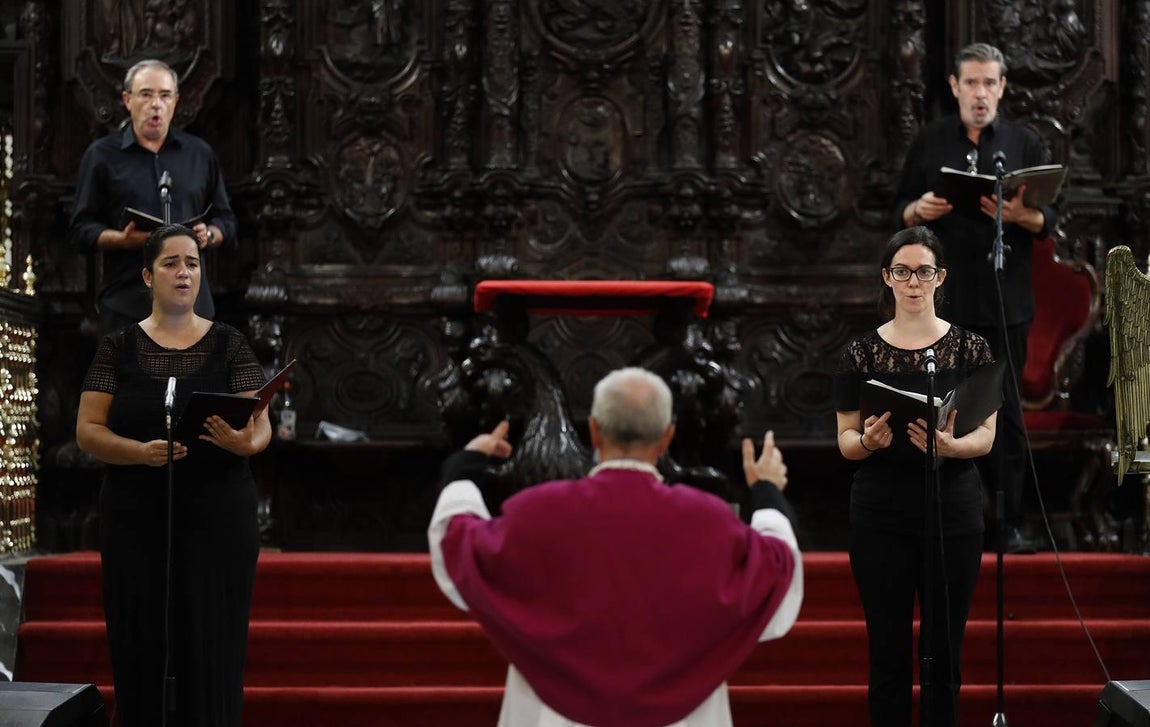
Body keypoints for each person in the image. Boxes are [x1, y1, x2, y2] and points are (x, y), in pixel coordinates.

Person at [429, 367, 802, 727]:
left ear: (593, 430)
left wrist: (464, 466)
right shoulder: (709, 521)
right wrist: (767, 492)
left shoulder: (539, 512)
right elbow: (775, 571)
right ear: (667, 437)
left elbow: (460, 543)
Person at [75, 224, 270, 727]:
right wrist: (139, 453)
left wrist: (245, 443)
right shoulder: (117, 346)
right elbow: (88, 431)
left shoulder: (230, 343)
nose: (184, 273)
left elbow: (259, 422)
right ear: (147, 275)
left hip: (218, 514)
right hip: (137, 513)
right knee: (141, 637)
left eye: (192, 264)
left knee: (214, 642)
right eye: (171, 263)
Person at [894, 42, 1057, 553]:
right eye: (972, 84)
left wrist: (1018, 215)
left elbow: (1048, 220)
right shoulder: (931, 140)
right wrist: (918, 208)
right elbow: (898, 209)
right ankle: (942, 517)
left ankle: (1007, 523)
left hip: (1005, 304)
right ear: (955, 87)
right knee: (938, 409)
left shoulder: (1025, 143)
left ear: (1003, 88)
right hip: (940, 304)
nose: (981, 94)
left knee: (1003, 415)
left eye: (990, 84)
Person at [834, 227, 998, 727]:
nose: (912, 282)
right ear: (887, 278)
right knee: (887, 652)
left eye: (923, 271)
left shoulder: (971, 348)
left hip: (952, 508)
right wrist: (867, 442)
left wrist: (951, 446)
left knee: (944, 652)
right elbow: (844, 439)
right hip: (881, 510)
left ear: (939, 278)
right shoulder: (860, 354)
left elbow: (987, 434)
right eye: (901, 271)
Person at [69, 58, 237, 336]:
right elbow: (80, 230)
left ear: (175, 101)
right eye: (146, 94)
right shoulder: (101, 156)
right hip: (127, 305)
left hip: (192, 309)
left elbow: (227, 220)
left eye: (164, 95)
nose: (155, 104)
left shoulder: (199, 154)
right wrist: (122, 240)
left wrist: (210, 234)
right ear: (127, 99)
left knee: (196, 381)